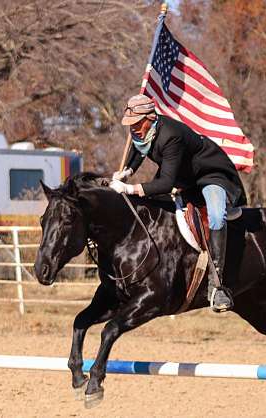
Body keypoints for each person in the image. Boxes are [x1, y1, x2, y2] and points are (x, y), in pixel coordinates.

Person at [109, 94, 247, 312]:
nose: (133, 128)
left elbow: (165, 183)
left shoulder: (170, 136)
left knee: (217, 215)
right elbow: (138, 148)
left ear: (150, 118)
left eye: (136, 123)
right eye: (130, 124)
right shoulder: (142, 131)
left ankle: (218, 285)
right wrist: (127, 171)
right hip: (185, 177)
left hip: (210, 174)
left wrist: (129, 188)